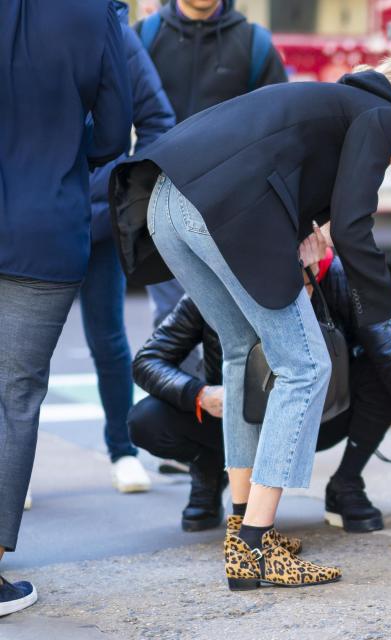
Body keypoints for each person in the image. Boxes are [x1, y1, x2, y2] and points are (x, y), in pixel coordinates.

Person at [110, 58, 391, 590]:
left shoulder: (335, 107)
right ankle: (256, 546)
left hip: (166, 203)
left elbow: (295, 184)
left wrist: (308, 226)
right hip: (219, 212)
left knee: (238, 353)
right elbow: (355, 224)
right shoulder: (383, 114)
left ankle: (242, 529)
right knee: (305, 366)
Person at [128, 227, 391, 534]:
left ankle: (346, 484)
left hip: (320, 419)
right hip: (240, 421)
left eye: (303, 286)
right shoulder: (218, 287)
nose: (294, 301)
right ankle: (210, 468)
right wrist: (201, 395)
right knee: (147, 420)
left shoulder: (340, 278)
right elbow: (148, 360)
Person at [0, 0, 132, 616]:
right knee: (15, 397)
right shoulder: (94, 13)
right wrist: (57, 139)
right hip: (44, 225)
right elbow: (112, 135)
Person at [135, 0, 288, 328]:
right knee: (171, 326)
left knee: (231, 328)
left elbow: (279, 131)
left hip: (229, 212)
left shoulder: (254, 43)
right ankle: (194, 384)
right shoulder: (145, 37)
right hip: (158, 203)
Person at [81, 0, 176, 494]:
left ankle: (122, 449)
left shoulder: (115, 29)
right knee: (18, 354)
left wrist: (126, 192)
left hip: (96, 220)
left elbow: (158, 119)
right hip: (28, 218)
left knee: (109, 339)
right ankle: (15, 470)